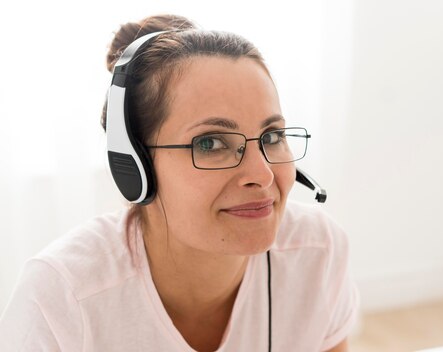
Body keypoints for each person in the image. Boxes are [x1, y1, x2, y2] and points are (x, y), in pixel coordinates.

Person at [0, 14, 359, 351]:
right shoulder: (60, 297)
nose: (262, 175)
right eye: (211, 143)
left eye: (271, 137)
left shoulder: (318, 251)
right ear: (135, 165)